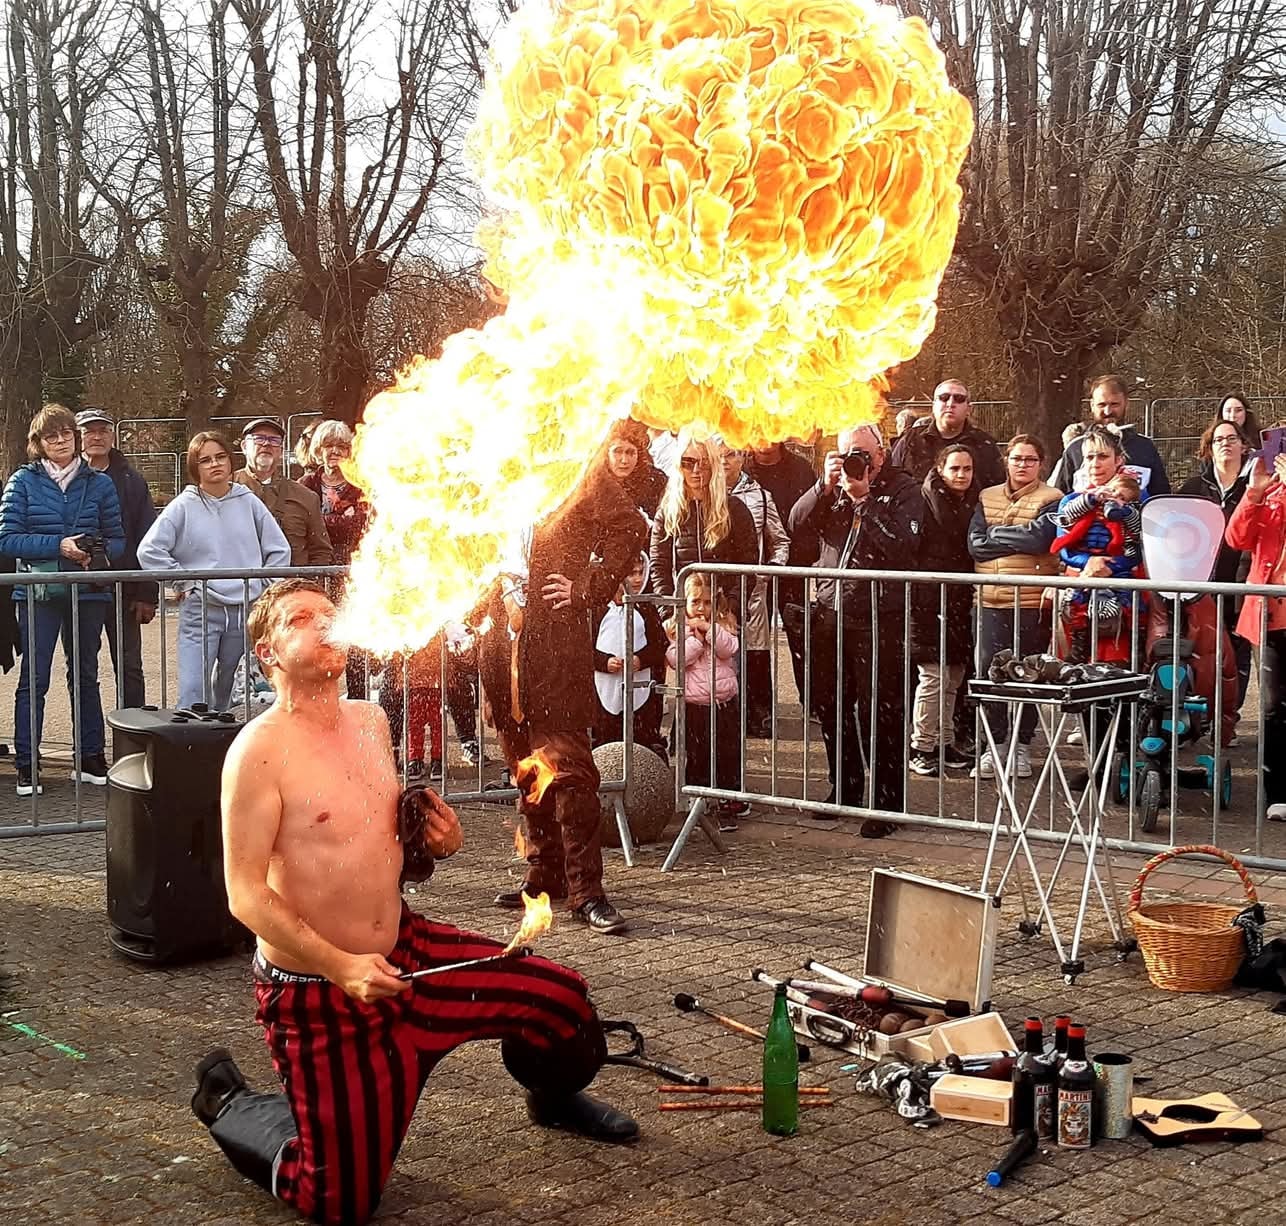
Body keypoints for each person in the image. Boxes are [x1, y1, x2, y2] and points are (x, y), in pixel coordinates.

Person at [192, 580, 636, 1226]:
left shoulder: (371, 721)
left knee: (563, 1001)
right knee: (338, 1199)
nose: (325, 624)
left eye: (328, 612)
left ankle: (552, 1098)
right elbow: (245, 896)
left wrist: (441, 841)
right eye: (301, 620)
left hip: (410, 957)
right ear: (267, 654)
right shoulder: (255, 754)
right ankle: (231, 1101)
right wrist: (341, 965)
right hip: (324, 996)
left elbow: (381, 849)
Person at [477, 443, 648, 934]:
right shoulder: (485, 472)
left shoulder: (574, 467)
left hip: (554, 643)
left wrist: (588, 585)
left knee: (571, 775)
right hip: (500, 643)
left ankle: (586, 891)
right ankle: (543, 877)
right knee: (525, 773)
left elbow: (631, 527)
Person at [788, 423, 923, 834]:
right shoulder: (835, 489)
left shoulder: (903, 489)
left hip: (880, 617)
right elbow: (797, 523)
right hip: (831, 613)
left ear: (880, 455)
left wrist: (865, 500)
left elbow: (903, 545)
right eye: (847, 453)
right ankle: (844, 788)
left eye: (863, 453)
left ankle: (887, 804)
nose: (854, 462)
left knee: (881, 711)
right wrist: (823, 487)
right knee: (832, 706)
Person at [0, 404, 125, 795]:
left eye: (66, 434)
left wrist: (97, 553)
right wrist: (59, 546)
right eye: (51, 436)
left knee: (86, 675)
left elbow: (118, 537)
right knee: (34, 679)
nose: (60, 441)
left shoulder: (100, 483)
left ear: (76, 438)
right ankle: (27, 763)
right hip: (38, 591)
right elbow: (7, 538)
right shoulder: (22, 481)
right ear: (38, 443)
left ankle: (89, 756)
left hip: (87, 592)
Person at [138, 431, 291, 711]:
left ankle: (223, 746)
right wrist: (184, 582)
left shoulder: (249, 501)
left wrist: (265, 587)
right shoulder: (183, 505)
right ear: (195, 467)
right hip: (200, 609)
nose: (215, 464)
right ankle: (190, 749)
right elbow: (149, 550)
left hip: (246, 608)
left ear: (231, 461)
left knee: (230, 687)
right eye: (205, 460)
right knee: (193, 690)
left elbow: (279, 550)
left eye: (220, 457)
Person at [967, 434, 1062, 778]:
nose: (1023, 465)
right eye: (1017, 458)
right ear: (1007, 460)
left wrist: (997, 535)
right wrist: (1013, 536)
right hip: (989, 600)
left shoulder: (1053, 498)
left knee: (1029, 676)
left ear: (1041, 464)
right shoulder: (986, 496)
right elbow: (975, 545)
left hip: (1030, 602)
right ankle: (994, 746)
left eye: (1030, 459)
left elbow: (1041, 539)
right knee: (989, 676)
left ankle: (1021, 745)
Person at [76, 407, 158, 709]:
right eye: (89, 430)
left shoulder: (132, 481)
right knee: (83, 670)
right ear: (78, 436)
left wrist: (147, 591)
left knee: (129, 668)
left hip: (123, 588)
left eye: (103, 430)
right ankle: (89, 748)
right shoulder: (66, 478)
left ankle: (132, 742)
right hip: (79, 588)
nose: (96, 436)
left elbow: (148, 537)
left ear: (113, 435)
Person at [1180, 419, 1256, 734]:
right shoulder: (1193, 486)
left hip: (1242, 580)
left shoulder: (1256, 485)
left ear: (1243, 445)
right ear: (1209, 449)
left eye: (1231, 438)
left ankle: (1228, 720)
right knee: (1200, 651)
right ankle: (1199, 716)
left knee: (1236, 654)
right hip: (1201, 582)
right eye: (1218, 439)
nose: (1225, 443)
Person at [909, 444, 980, 777]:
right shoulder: (923, 501)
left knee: (953, 677)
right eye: (955, 468)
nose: (962, 475)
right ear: (940, 469)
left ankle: (944, 741)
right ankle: (921, 746)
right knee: (933, 676)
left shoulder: (973, 500)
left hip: (960, 598)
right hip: (928, 599)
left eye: (967, 469)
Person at [1049, 427, 1146, 663]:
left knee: (1120, 658)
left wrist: (1112, 566)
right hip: (1079, 585)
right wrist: (1089, 563)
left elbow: (1141, 545)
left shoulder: (1135, 499)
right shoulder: (1071, 501)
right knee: (1077, 664)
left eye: (1102, 456)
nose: (1095, 463)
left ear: (1118, 460)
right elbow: (1063, 547)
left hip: (1123, 581)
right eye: (1089, 457)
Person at [1225, 452, 1286, 821]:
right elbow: (1237, 538)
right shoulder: (1272, 492)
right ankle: (1277, 792)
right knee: (1276, 707)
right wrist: (1254, 494)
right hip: (1272, 615)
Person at [298, 420, 372, 698]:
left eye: (342, 446)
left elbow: (362, 525)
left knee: (353, 643)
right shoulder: (306, 484)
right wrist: (339, 520)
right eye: (329, 446)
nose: (335, 452)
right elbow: (305, 525)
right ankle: (319, 699)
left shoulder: (361, 485)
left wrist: (328, 522)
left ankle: (358, 698)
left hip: (353, 572)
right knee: (317, 638)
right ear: (318, 449)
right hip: (316, 572)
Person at [721, 442, 789, 736]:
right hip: (713, 592)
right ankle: (720, 715)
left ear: (742, 457)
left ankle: (759, 714)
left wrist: (768, 571)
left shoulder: (759, 495)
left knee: (754, 654)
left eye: (731, 455)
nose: (725, 461)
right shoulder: (698, 494)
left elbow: (780, 540)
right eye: (719, 455)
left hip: (752, 591)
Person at [666, 572, 744, 830]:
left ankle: (728, 802)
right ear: (684, 603)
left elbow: (729, 648)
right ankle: (698, 800)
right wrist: (696, 641)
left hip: (723, 703)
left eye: (707, 602)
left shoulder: (723, 624)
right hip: (695, 705)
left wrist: (710, 632)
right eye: (696, 602)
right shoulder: (677, 629)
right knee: (697, 756)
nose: (701, 608)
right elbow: (677, 659)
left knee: (727, 754)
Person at [747, 439, 819, 706]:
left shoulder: (800, 468)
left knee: (801, 636)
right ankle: (760, 706)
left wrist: (807, 553)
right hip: (753, 571)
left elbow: (814, 511)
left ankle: (811, 700)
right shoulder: (742, 468)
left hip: (793, 568)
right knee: (755, 641)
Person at [649, 433, 757, 603]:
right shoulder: (667, 511)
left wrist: (731, 610)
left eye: (703, 463)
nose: (696, 470)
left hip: (722, 609)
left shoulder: (734, 508)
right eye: (688, 462)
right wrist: (669, 613)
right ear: (679, 466)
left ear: (713, 465)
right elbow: (659, 566)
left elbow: (747, 564)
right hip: (683, 609)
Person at [591, 552, 668, 759]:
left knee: (640, 741)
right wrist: (603, 662)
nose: (637, 579)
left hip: (641, 694)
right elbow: (584, 649)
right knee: (608, 742)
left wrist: (640, 659)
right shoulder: (597, 611)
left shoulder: (646, 609)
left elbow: (660, 645)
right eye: (631, 573)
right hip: (605, 691)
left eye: (641, 573)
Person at [233, 417, 333, 568]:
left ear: (280, 451)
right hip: (238, 588)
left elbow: (321, 551)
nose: (266, 444)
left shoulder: (306, 497)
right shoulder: (225, 490)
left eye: (274, 440)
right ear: (244, 446)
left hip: (290, 587)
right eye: (258, 439)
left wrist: (307, 587)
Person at [1050, 374, 1171, 495]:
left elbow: (1161, 498)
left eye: (1114, 404)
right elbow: (1059, 497)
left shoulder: (1144, 447)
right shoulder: (1075, 448)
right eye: (1101, 405)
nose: (1108, 411)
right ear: (1092, 405)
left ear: (1126, 404)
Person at [890, 379, 1005, 488]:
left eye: (959, 398)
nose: (950, 403)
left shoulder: (985, 445)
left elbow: (996, 489)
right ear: (934, 406)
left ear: (969, 409)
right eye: (944, 398)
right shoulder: (910, 441)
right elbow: (892, 481)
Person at [604, 418, 667, 520]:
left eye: (630, 453)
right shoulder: (592, 485)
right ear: (606, 454)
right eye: (618, 452)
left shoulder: (654, 482)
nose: (624, 460)